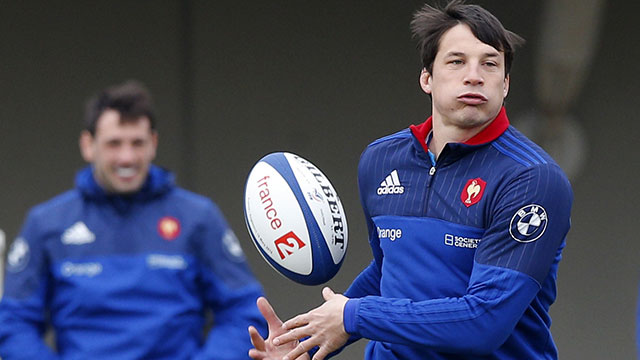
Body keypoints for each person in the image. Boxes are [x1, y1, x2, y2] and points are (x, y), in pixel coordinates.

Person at [247, 1, 573, 359]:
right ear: (427, 78)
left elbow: (484, 321)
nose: (475, 76)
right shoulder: (382, 159)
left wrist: (353, 315)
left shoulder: (531, 179)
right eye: (456, 61)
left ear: (506, 84)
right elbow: (389, 271)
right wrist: (306, 345)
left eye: (490, 64)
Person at [0, 80, 267, 359]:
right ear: (88, 145)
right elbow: (13, 323)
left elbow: (245, 312)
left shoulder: (198, 217)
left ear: (153, 144)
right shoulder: (46, 224)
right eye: (114, 144)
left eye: (137, 143)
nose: (126, 157)